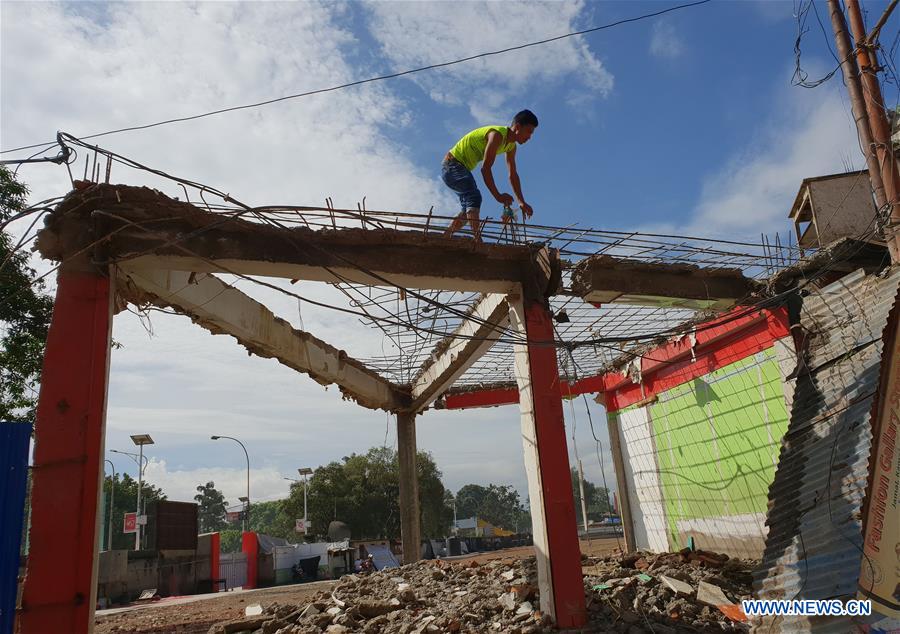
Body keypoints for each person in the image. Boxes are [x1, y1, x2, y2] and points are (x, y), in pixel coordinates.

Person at [442, 110, 538, 240]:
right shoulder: (496, 135)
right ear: (518, 127)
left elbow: (513, 174)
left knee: (467, 210)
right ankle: (477, 240)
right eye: (529, 132)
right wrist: (498, 196)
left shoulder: (511, 147)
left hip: (460, 168)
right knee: (474, 197)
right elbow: (485, 169)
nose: (529, 137)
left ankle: (445, 236)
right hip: (452, 164)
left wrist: (521, 201)